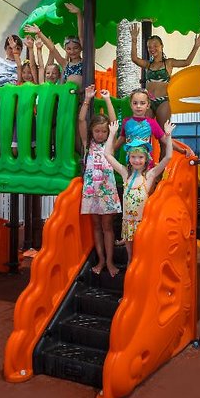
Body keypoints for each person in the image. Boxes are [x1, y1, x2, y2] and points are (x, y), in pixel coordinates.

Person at [103, 119, 175, 264]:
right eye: (133, 157)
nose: (137, 160)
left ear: (146, 158)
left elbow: (168, 157)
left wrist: (168, 136)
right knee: (131, 258)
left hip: (143, 224)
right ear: (128, 158)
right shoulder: (125, 173)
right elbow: (107, 155)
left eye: (140, 157)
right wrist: (112, 134)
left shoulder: (150, 175)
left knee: (143, 256)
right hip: (128, 224)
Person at [78, 84, 120, 276]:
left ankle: (110, 261)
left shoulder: (110, 145)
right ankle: (101, 259)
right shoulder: (88, 144)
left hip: (108, 192)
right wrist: (87, 99)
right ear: (92, 131)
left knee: (107, 227)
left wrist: (108, 99)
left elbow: (114, 122)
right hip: (92, 192)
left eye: (103, 131)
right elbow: (81, 120)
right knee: (96, 227)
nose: (101, 134)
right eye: (97, 131)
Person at [130, 24, 200, 127]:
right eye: (149, 47)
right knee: (143, 130)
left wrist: (196, 46)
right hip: (148, 102)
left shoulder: (168, 63)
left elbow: (187, 62)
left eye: (155, 46)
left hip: (162, 102)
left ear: (161, 46)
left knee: (164, 132)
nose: (152, 49)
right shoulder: (148, 64)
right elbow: (134, 59)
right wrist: (134, 39)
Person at [24, 2, 85, 87]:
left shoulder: (85, 61)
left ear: (81, 48)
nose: (72, 51)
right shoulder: (65, 64)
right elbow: (52, 49)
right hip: (67, 95)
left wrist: (79, 14)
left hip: (82, 95)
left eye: (75, 48)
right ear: (65, 49)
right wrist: (39, 33)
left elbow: (81, 36)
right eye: (69, 49)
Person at [108, 88, 166, 153]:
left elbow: (164, 139)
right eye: (135, 103)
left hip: (145, 158)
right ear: (131, 105)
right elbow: (122, 138)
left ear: (148, 105)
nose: (138, 106)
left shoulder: (151, 123)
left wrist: (176, 148)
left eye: (142, 103)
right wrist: (111, 151)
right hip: (130, 158)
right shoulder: (126, 122)